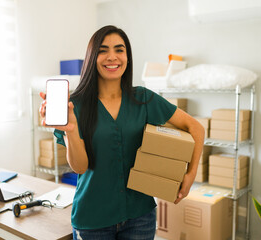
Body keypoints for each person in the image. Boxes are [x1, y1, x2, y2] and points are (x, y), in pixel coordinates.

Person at [39, 25, 205, 240]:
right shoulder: (74, 106)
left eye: (119, 50)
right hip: (92, 218)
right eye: (103, 50)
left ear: (127, 57)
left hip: (140, 216)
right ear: (92, 57)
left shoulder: (143, 99)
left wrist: (190, 175)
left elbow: (196, 128)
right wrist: (71, 129)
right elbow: (80, 166)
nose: (112, 57)